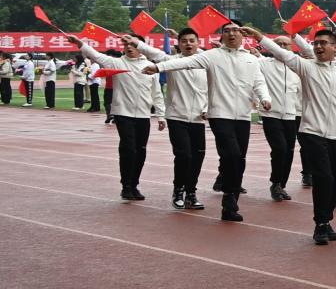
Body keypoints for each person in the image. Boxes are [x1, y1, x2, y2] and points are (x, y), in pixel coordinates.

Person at [145, 20, 270, 222]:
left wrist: (265, 98)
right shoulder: (212, 56)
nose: (231, 34)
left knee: (239, 159)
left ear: (243, 35)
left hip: (243, 116)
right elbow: (184, 62)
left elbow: (259, 82)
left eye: (235, 31)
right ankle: (207, 192)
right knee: (231, 154)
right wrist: (158, 67)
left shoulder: (251, 59)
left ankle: (230, 202)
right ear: (222, 36)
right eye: (227, 31)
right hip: (219, 114)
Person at [250, 26, 336, 245]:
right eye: (316, 43)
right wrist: (260, 36)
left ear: (335, 47)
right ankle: (320, 224)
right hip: (312, 132)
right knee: (323, 178)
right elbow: (282, 54)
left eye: (323, 43)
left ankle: (327, 220)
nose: (318, 47)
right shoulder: (307, 67)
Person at [130, 28, 208, 210]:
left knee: (198, 156)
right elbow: (154, 53)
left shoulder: (206, 63)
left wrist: (206, 108)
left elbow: (211, 89)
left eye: (192, 41)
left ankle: (191, 193)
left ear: (198, 43)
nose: (188, 44)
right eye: (184, 41)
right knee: (184, 155)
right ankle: (178, 190)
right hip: (176, 116)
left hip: (198, 118)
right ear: (178, 44)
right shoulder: (171, 61)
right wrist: (136, 43)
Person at [79, 36, 161, 198]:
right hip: (123, 114)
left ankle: (134, 184)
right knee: (128, 148)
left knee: (141, 150)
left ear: (141, 47)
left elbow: (156, 93)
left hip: (143, 115)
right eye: (126, 45)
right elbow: (96, 55)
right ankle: (126, 186)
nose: (129, 47)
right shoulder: (117, 63)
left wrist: (161, 115)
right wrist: (80, 44)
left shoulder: (150, 67)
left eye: (133, 45)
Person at [258, 33, 303, 201]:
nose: (283, 47)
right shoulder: (263, 63)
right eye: (279, 44)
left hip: (291, 115)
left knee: (289, 151)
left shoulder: (297, 67)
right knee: (280, 149)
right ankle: (275, 183)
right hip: (271, 114)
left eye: (286, 44)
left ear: (292, 48)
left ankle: (281, 185)